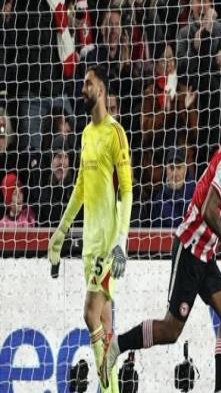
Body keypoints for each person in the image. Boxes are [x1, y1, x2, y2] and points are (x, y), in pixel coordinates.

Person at [101, 109, 221, 393]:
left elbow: (211, 209)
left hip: (205, 254)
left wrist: (220, 240)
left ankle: (220, 389)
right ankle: (116, 345)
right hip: (189, 251)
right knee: (170, 330)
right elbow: (208, 211)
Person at [47, 65, 133, 392]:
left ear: (101, 90)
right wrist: (61, 230)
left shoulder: (115, 133)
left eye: (88, 83)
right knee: (105, 323)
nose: (83, 88)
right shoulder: (85, 134)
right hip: (89, 245)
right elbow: (81, 186)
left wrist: (121, 241)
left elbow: (127, 191)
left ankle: (107, 387)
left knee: (90, 314)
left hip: (109, 245)